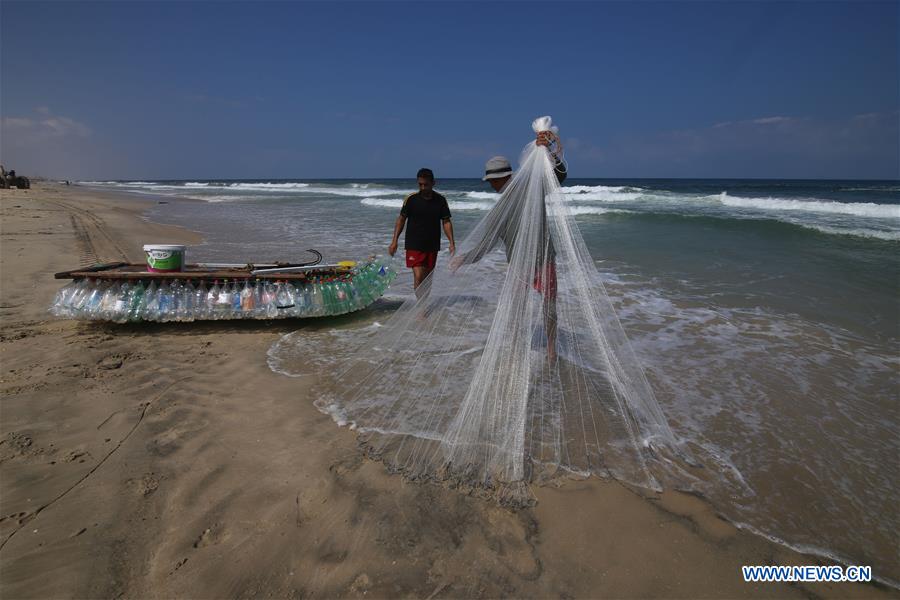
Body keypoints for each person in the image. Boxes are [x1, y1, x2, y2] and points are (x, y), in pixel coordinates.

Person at [453, 131, 567, 360]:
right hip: (529, 261)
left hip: (536, 261)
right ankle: (538, 348)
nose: (491, 186)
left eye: (493, 181)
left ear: (501, 178)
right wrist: (464, 259)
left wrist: (551, 152)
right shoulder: (510, 201)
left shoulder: (528, 190)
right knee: (535, 306)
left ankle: (543, 348)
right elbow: (486, 244)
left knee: (536, 306)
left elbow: (558, 177)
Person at [388, 168, 455, 291]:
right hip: (414, 244)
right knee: (419, 276)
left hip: (432, 244)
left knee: (428, 278)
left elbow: (446, 222)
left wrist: (452, 243)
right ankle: (420, 307)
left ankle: (423, 305)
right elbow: (401, 220)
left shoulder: (440, 200)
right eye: (420, 184)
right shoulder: (411, 199)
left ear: (433, 183)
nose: (423, 188)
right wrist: (394, 241)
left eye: (426, 184)